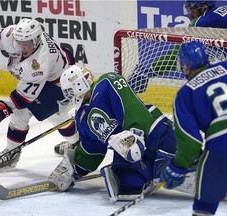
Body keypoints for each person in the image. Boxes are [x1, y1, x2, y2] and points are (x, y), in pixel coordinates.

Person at [47, 65, 177, 202]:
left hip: (153, 131)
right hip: (128, 155)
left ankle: (171, 165)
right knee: (128, 187)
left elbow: (131, 106)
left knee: (190, 157)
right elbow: (92, 149)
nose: (69, 95)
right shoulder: (81, 118)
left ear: (79, 83)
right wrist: (74, 168)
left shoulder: (106, 83)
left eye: (70, 90)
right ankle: (154, 170)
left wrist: (136, 133)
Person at [0, 18, 79, 168]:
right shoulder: (14, 35)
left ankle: (78, 142)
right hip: (56, 70)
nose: (22, 48)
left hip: (61, 83)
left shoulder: (40, 62)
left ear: (36, 40)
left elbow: (23, 97)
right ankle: (77, 142)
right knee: (39, 113)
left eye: (26, 44)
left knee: (40, 112)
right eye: (19, 43)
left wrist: (0, 110)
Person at [160, 41, 227, 216]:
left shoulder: (185, 94)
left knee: (204, 204)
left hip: (221, 145)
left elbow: (191, 142)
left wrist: (178, 166)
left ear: (185, 67)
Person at [130, 1, 227, 94]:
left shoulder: (200, 23)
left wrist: (148, 71)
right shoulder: (219, 13)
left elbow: (176, 54)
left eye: (192, 10)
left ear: (204, 7)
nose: (190, 16)